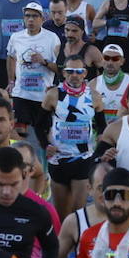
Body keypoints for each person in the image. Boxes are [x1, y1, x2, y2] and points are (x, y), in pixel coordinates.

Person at [41, 53, 102, 220]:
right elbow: (39, 124)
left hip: (83, 159)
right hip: (58, 159)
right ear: (64, 73)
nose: (74, 75)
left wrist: (98, 153)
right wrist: (45, 145)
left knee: (78, 213)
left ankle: (78, 244)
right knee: (62, 216)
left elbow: (102, 127)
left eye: (78, 71)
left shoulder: (94, 96)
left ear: (85, 73)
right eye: (70, 71)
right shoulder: (53, 94)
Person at [6, 2, 60, 146]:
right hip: (21, 94)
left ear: (42, 19)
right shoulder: (16, 37)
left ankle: (44, 166)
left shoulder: (52, 38)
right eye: (27, 16)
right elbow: (11, 57)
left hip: (43, 97)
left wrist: (44, 62)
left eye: (35, 16)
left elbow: (60, 68)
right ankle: (20, 163)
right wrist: (11, 81)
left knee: (44, 138)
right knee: (18, 135)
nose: (30, 19)